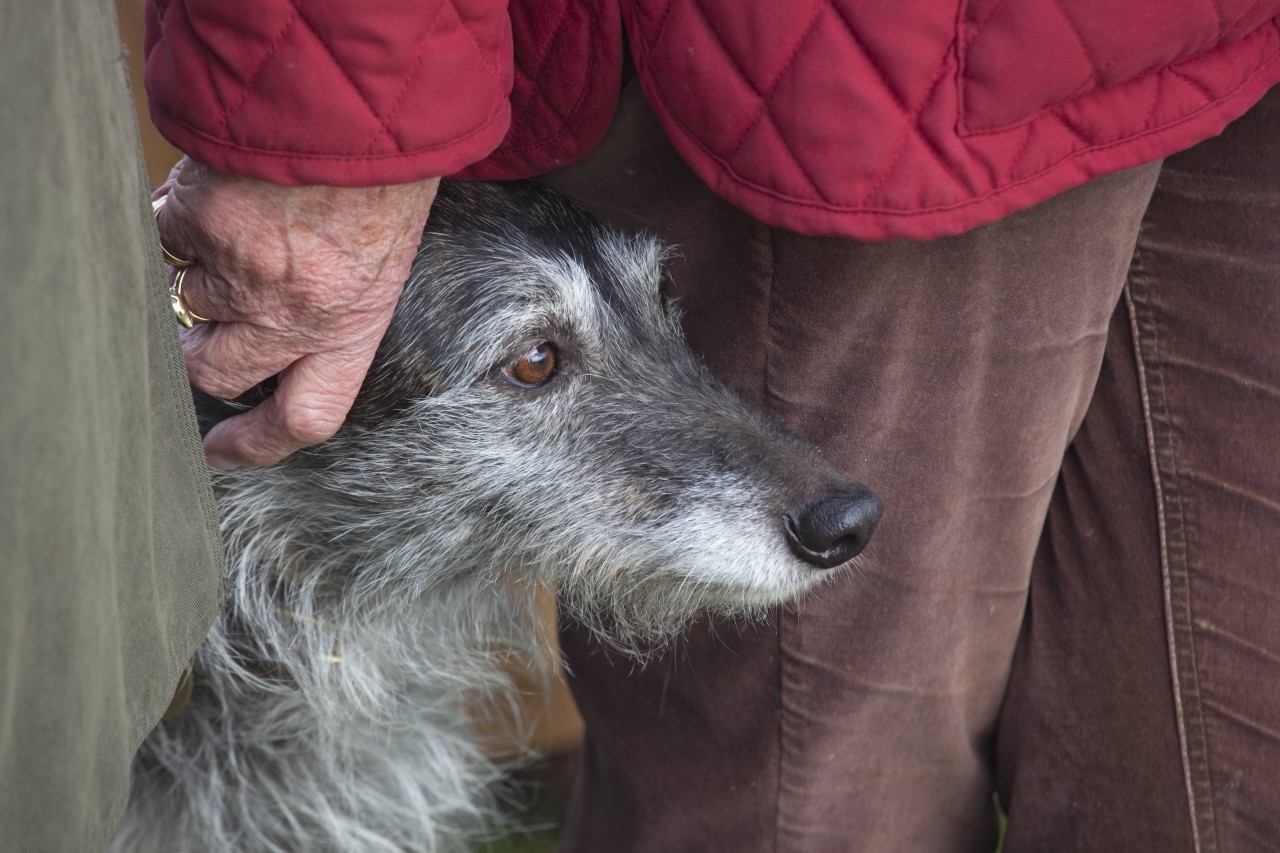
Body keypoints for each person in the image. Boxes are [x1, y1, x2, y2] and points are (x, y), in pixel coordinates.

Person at [7, 1, 1280, 850]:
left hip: (1216, 45)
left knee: (1209, 774)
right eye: (535, 362)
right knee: (808, 796)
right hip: (850, 70)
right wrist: (323, 114)